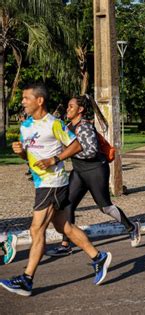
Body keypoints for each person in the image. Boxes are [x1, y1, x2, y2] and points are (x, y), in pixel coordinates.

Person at [1, 84, 111, 297]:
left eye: (26, 98)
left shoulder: (54, 124)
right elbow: (29, 156)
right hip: (40, 182)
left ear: (39, 100)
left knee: (36, 229)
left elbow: (77, 144)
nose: (22, 101)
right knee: (65, 227)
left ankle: (26, 279)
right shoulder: (25, 126)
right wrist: (21, 153)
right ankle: (99, 257)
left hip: (52, 182)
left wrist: (56, 158)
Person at [46, 95, 141, 257]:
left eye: (71, 106)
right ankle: (65, 244)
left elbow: (90, 151)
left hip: (95, 170)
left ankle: (132, 227)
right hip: (79, 171)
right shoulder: (69, 126)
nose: (67, 109)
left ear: (80, 110)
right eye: (68, 106)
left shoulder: (85, 127)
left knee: (105, 207)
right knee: (67, 205)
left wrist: (67, 154)